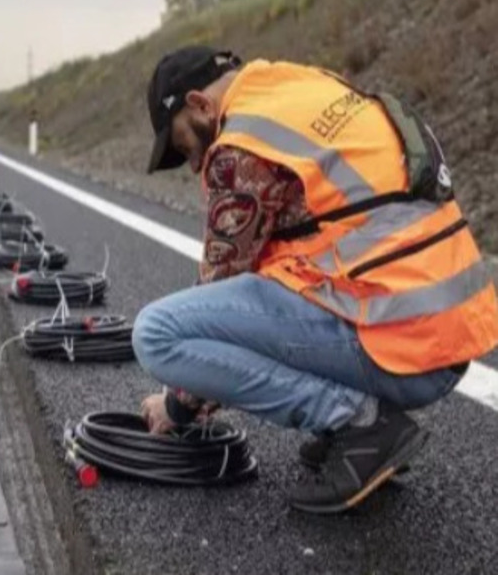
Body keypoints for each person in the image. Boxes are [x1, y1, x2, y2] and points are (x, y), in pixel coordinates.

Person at [132, 46, 497, 514]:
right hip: (450, 333)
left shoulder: (241, 149)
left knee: (157, 335)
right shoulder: (301, 89)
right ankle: (357, 422)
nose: (192, 163)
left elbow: (220, 285)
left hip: (400, 339)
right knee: (279, 282)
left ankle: (359, 423)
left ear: (202, 104)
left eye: (184, 146)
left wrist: (178, 406)